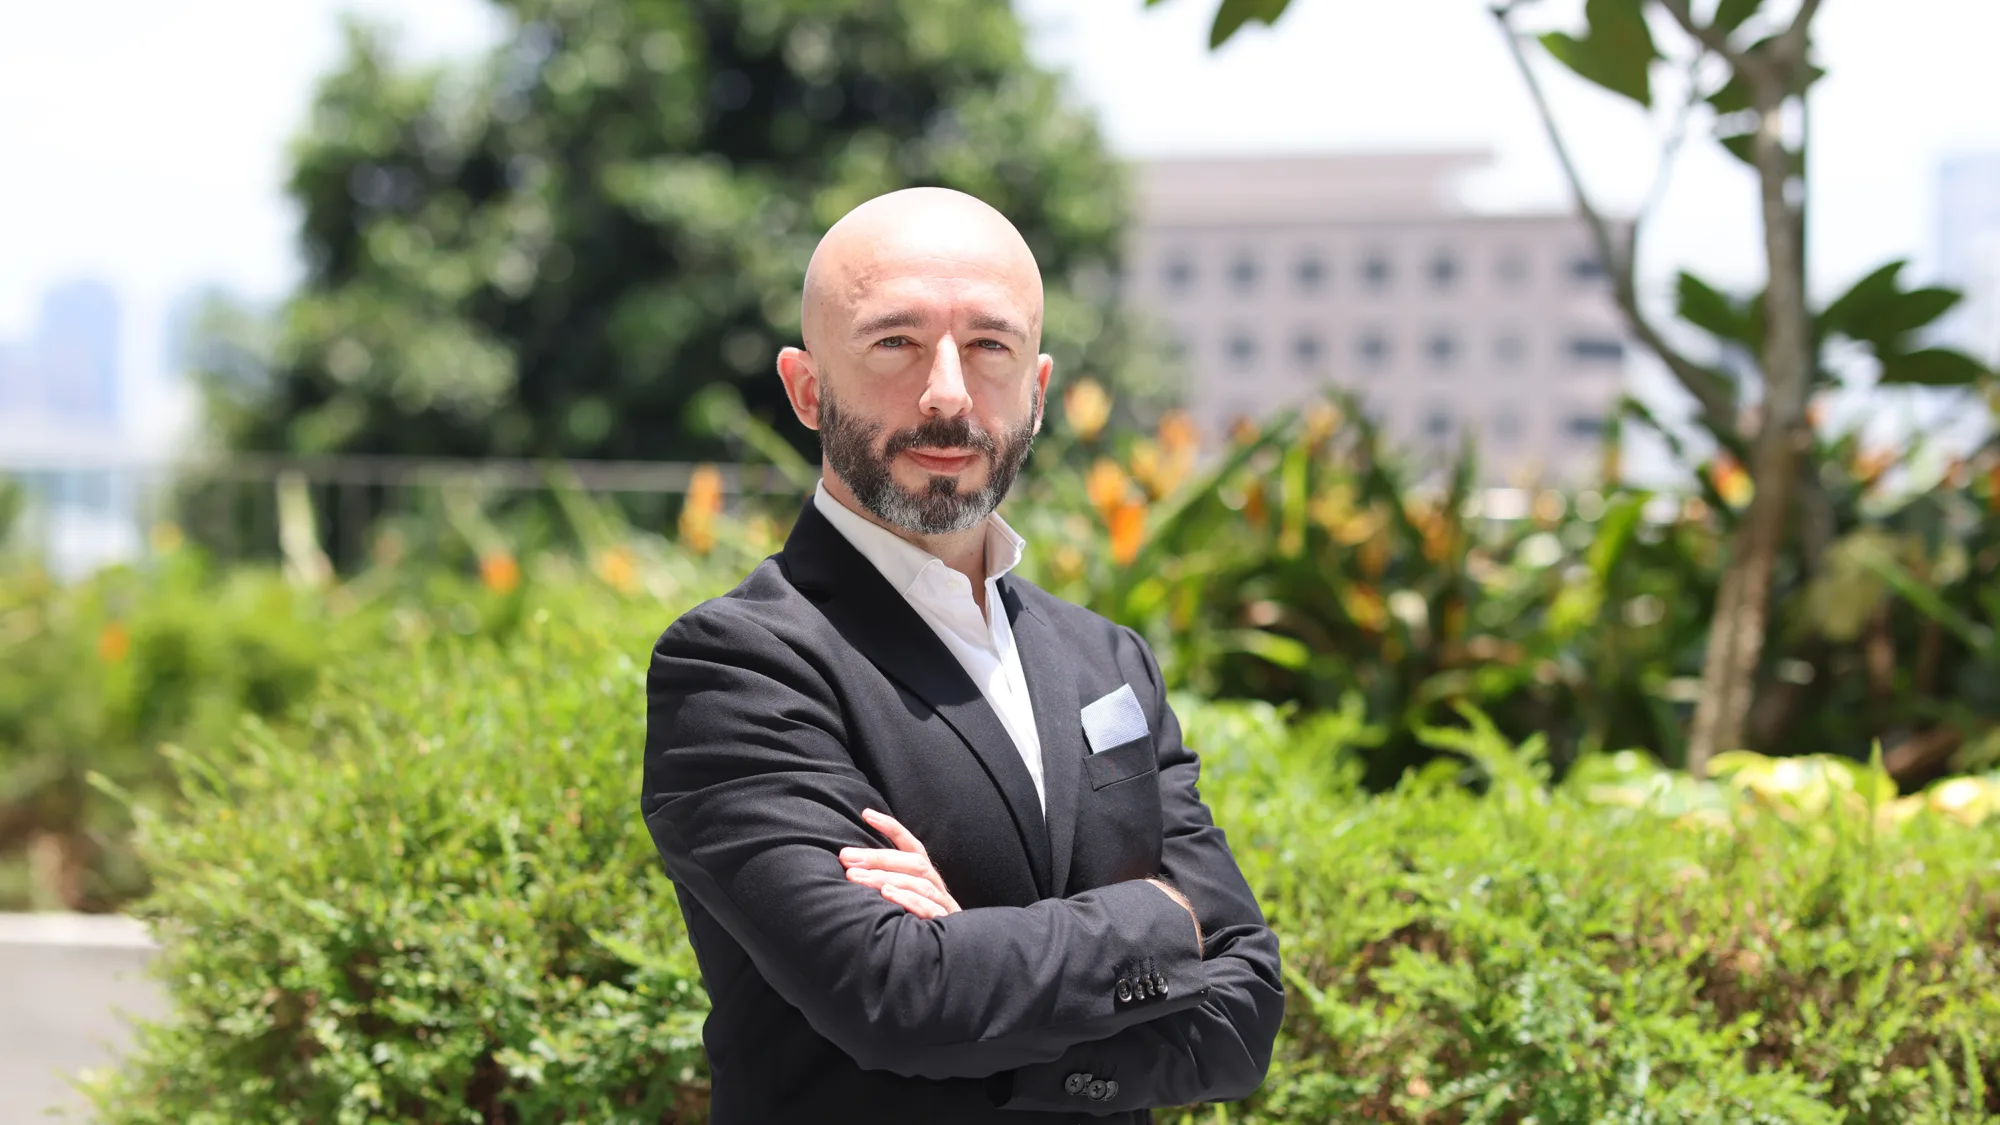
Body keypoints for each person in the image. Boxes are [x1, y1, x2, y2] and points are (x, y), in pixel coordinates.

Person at [640, 187, 1283, 1123]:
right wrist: (1160, 921)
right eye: (895, 343)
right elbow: (897, 1001)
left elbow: (1245, 1014)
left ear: (1039, 386)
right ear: (807, 387)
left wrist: (982, 985)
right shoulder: (741, 665)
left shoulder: (1106, 659)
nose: (947, 392)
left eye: (990, 347)